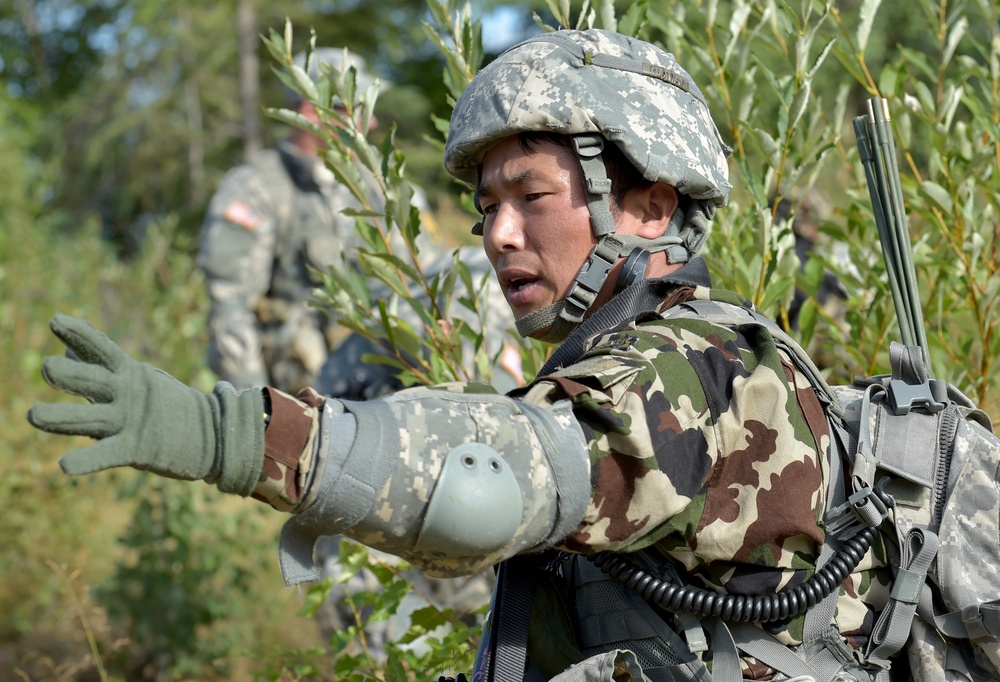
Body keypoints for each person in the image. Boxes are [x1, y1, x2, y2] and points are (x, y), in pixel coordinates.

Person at [29, 29, 890, 681]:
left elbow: (488, 481)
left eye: (531, 197)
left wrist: (222, 432)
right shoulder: (629, 353)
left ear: (651, 209)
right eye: (485, 209)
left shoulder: (700, 366)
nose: (498, 235)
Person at [197, 47, 390, 394]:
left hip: (380, 395)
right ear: (312, 113)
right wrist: (259, 419)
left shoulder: (376, 185)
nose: (371, 123)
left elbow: (423, 276)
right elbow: (231, 312)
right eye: (357, 109)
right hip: (303, 401)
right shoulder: (256, 189)